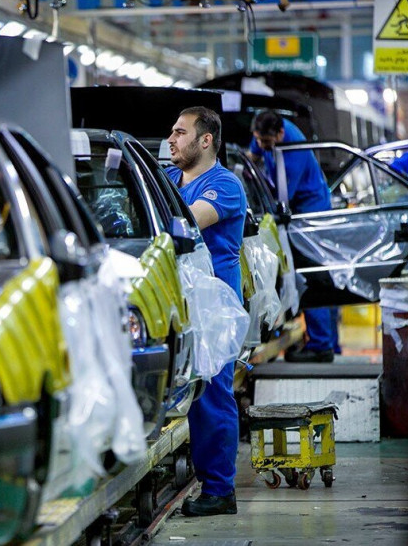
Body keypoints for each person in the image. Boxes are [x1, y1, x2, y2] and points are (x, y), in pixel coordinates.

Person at [164, 106, 246, 517]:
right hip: (175, 298)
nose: (171, 139)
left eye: (180, 132)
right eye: (172, 132)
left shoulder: (224, 185)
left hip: (213, 304)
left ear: (206, 140)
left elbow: (189, 222)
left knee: (211, 395)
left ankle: (219, 490)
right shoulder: (167, 179)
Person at [250, 109, 338, 363]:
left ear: (280, 134)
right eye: (259, 140)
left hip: (311, 211)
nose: (262, 146)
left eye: (267, 142)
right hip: (295, 210)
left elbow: (282, 198)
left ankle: (322, 346)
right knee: (310, 276)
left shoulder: (294, 150)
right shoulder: (263, 129)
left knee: (312, 275)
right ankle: (328, 342)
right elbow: (252, 155)